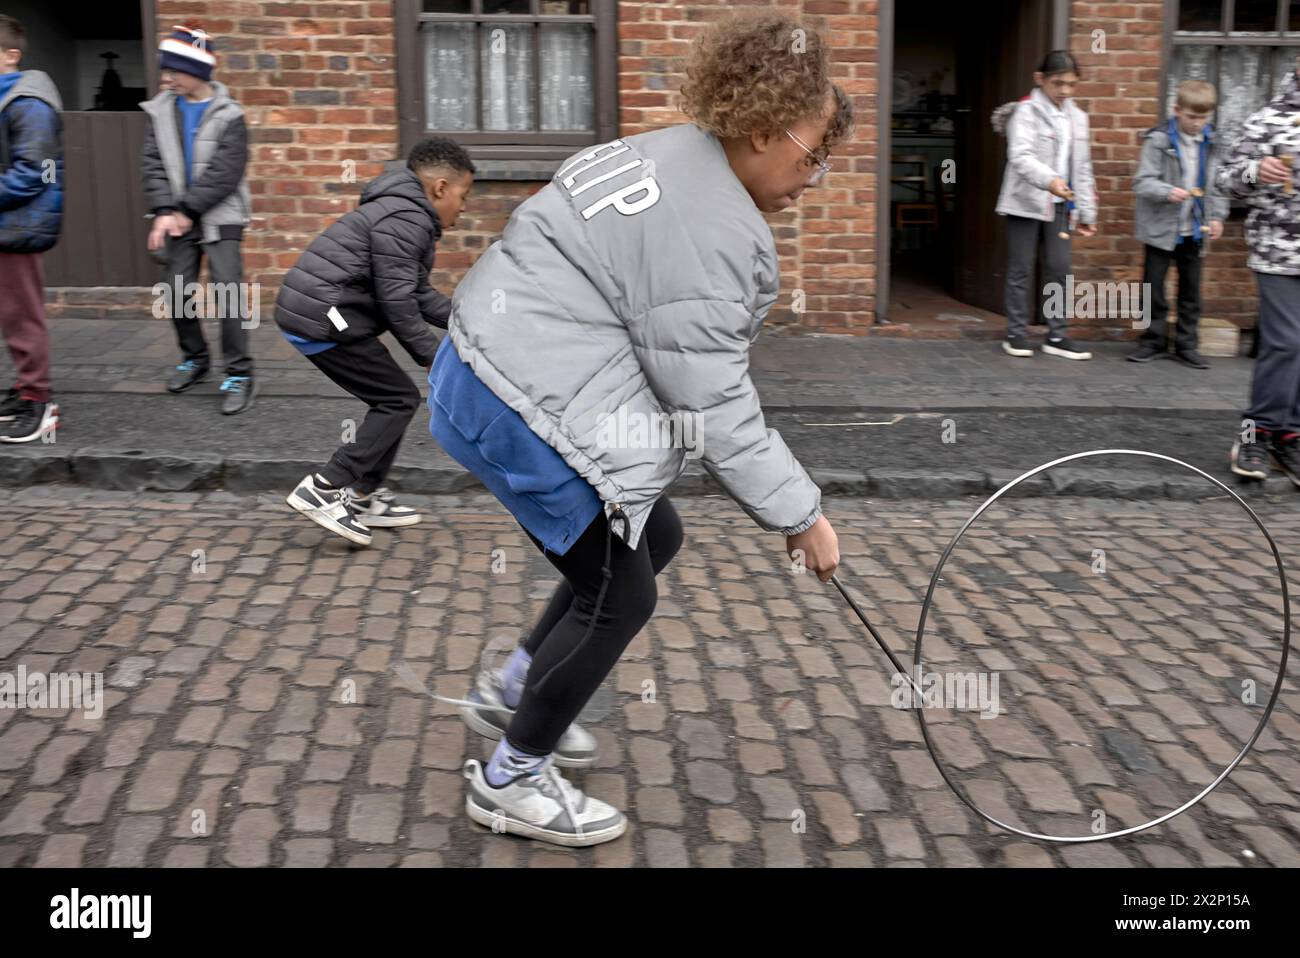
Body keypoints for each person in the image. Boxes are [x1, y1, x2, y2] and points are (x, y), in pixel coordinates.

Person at [429, 13, 849, 847]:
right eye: (813, 155)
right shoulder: (717, 227)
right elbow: (712, 401)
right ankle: (511, 778)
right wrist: (802, 516)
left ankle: (515, 688)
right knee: (623, 596)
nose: (818, 175)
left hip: (481, 370)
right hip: (520, 401)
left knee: (652, 535)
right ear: (762, 129)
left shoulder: (667, 151)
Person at [276, 138, 473, 545]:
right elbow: (397, 302)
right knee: (397, 400)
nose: (464, 206)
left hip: (326, 312)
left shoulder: (403, 213)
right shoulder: (407, 219)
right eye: (463, 195)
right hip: (323, 317)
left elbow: (415, 293)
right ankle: (326, 487)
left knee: (394, 399)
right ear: (439, 187)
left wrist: (469, 321)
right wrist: (432, 357)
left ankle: (362, 494)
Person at [141, 25, 254, 415]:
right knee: (175, 292)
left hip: (220, 216)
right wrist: (163, 212)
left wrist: (186, 211)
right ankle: (196, 359)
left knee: (227, 295)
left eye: (175, 70)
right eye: (164, 70)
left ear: (200, 71)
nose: (166, 77)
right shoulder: (159, 111)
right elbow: (152, 165)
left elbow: (226, 172)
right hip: (175, 216)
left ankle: (239, 373)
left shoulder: (230, 115)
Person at [1218, 57, 1300, 486]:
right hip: (1279, 253)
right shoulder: (1268, 120)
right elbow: (1225, 179)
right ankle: (1253, 435)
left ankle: (1289, 435)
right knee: (1286, 344)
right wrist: (1256, 170)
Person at [994, 50, 1099, 361]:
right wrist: (1051, 180)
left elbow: (1082, 166)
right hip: (1025, 203)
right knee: (1021, 268)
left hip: (1061, 206)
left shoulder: (1078, 118)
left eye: (1071, 84)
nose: (1065, 90)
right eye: (1058, 83)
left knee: (1060, 268)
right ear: (1040, 80)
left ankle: (1057, 334)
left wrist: (1088, 212)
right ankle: (1016, 332)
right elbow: (1021, 157)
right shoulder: (1024, 113)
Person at [1131, 79, 1228, 368]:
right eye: (1191, 117)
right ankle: (1152, 341)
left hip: (1195, 229)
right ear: (1176, 111)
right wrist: (1166, 191)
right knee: (1153, 288)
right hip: (1161, 228)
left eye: (1203, 117)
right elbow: (1142, 182)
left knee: (1191, 292)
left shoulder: (1213, 143)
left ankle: (1187, 346)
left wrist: (1217, 217)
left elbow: (1219, 185)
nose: (1197, 123)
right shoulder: (1158, 141)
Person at [0, 14, 62, 444]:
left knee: (23, 314)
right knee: (11, 313)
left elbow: (38, 173)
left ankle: (39, 402)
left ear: (11, 55)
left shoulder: (28, 103)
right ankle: (24, 390)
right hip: (7, 221)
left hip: (20, 226)